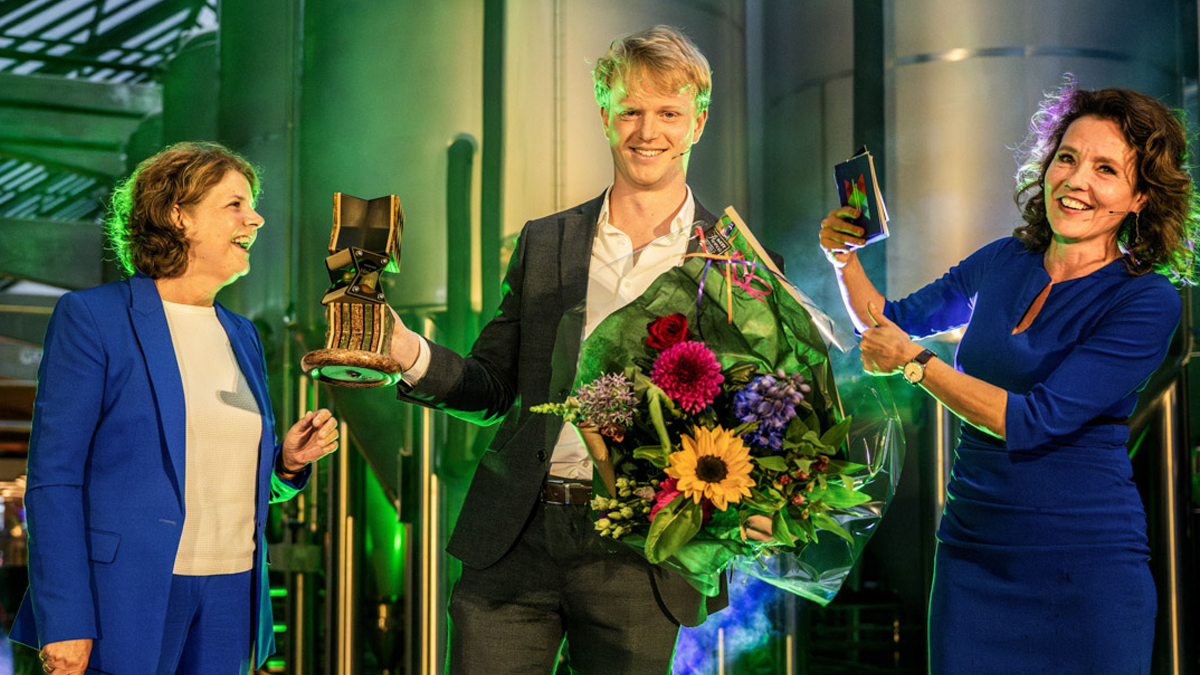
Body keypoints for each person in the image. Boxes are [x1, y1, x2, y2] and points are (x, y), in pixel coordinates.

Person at [387, 25, 775, 674]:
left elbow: (761, 412)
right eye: (630, 110)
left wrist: (761, 495)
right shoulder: (547, 242)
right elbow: (493, 385)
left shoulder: (738, 262)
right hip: (517, 537)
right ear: (603, 115)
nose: (647, 131)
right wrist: (408, 351)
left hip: (644, 549)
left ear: (698, 123)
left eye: (668, 113)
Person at [819, 80, 1199, 673]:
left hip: (1086, 570)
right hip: (972, 558)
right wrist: (843, 259)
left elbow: (1035, 419)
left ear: (1140, 198)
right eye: (1067, 158)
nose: (1075, 181)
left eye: (1105, 170)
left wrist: (917, 364)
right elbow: (889, 323)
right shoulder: (1003, 259)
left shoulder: (1146, 300)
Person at [10, 141, 341, 675]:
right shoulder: (93, 318)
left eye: (252, 205)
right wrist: (65, 618)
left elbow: (221, 481)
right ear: (176, 215)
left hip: (232, 593)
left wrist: (285, 465)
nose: (255, 219)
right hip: (124, 597)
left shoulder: (242, 335)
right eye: (235, 204)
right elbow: (55, 480)